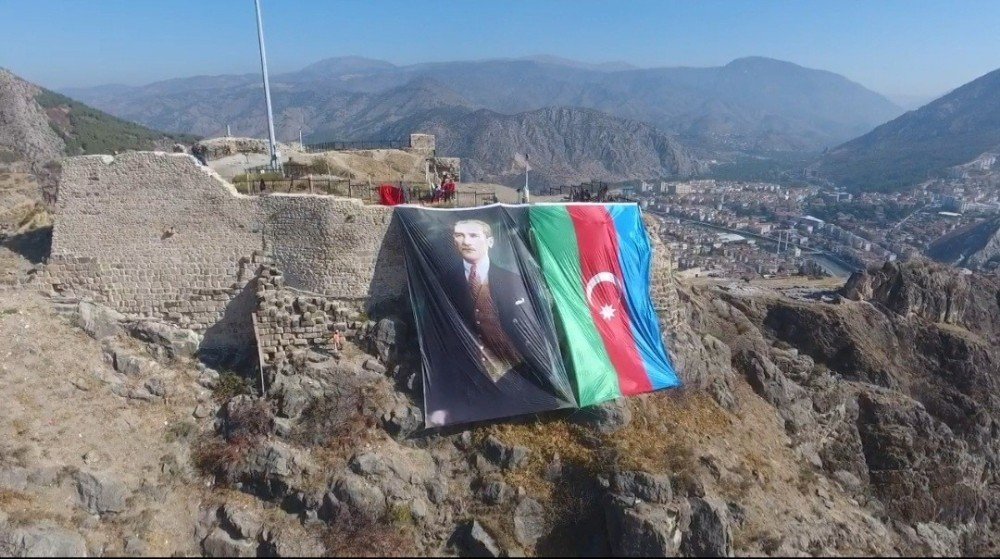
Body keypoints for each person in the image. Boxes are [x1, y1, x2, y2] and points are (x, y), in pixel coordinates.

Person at [420, 217, 571, 426]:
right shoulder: (442, 283)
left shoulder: (513, 279)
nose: (466, 242)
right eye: (460, 235)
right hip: (465, 376)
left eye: (474, 235)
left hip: (514, 371)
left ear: (489, 242)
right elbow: (434, 333)